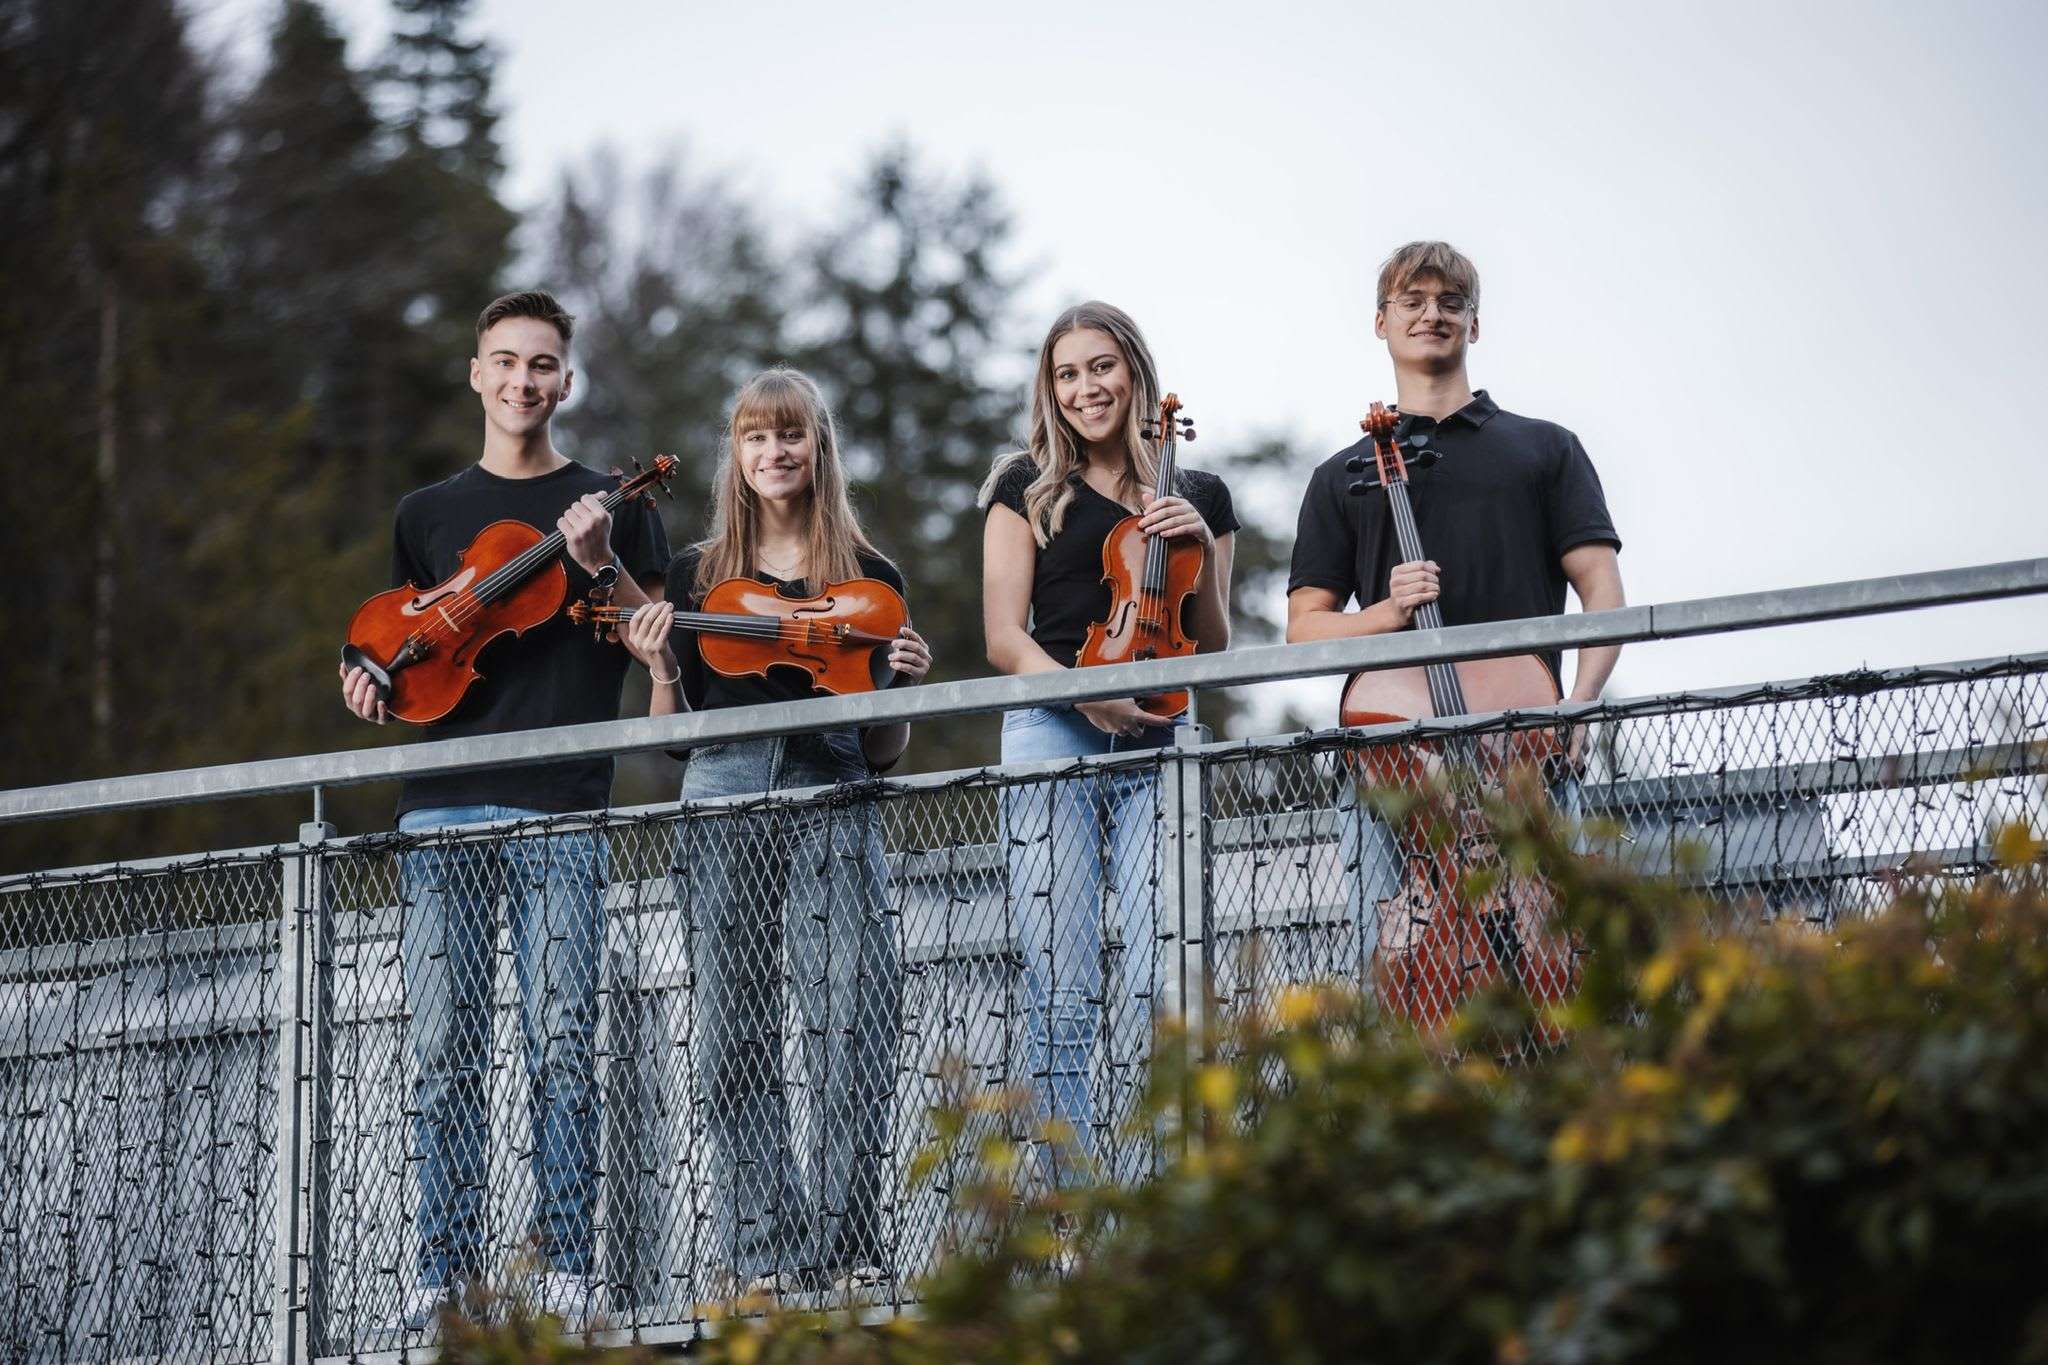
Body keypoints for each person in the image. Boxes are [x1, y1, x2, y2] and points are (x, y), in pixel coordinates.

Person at [338, 290, 670, 1332]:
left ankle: (566, 1274)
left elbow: (644, 639)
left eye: (543, 365)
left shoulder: (614, 509)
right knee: (443, 1056)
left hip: (563, 805)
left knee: (563, 1046)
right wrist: (362, 673)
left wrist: (595, 559)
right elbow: (402, 643)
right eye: (505, 362)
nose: (524, 381)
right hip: (439, 808)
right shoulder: (425, 514)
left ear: (566, 383)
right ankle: (444, 1281)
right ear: (477, 374)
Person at [620, 367, 930, 1300]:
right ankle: (765, 1254)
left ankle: (845, 1248)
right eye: (757, 437)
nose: (775, 452)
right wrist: (658, 664)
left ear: (818, 447)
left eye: (791, 434)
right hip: (721, 788)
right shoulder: (696, 576)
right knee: (731, 1033)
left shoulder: (872, 578)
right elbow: (673, 744)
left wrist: (901, 683)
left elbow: (883, 748)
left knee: (855, 1020)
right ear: (738, 456)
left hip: (836, 782)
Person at [1285, 240, 1624, 1016]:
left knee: (1563, 976)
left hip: (1527, 753)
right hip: (1396, 770)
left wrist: (1580, 699)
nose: (1431, 314)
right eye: (1413, 301)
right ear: (1381, 322)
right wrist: (1386, 613)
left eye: (1449, 302)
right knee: (1394, 981)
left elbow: (1601, 584)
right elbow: (1306, 628)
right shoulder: (1342, 476)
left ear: (1475, 322)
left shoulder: (1544, 448)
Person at [978, 301, 1238, 1188]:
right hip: (1052, 729)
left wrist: (1198, 537)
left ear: (1134, 371)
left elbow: (1213, 642)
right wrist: (1087, 693)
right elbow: (1003, 638)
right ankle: (1070, 1207)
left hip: (1161, 738)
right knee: (1064, 982)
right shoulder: (1025, 486)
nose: (1086, 388)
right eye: (1067, 373)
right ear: (1050, 390)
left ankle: (1167, 1190)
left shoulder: (1196, 493)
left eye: (1101, 367)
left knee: (1163, 974)